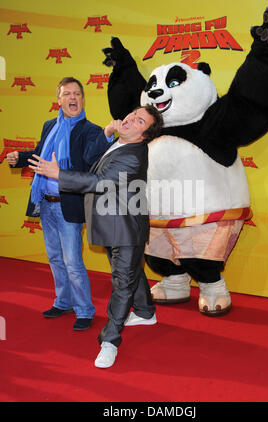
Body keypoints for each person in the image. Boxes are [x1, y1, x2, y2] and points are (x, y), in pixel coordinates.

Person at [28, 104, 164, 368]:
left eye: (139, 122)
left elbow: (99, 182)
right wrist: (108, 131)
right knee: (129, 270)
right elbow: (92, 163)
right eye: (132, 115)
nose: (130, 120)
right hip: (114, 222)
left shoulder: (134, 155)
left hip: (126, 227)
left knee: (122, 282)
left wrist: (58, 174)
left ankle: (110, 340)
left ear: (143, 136)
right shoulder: (119, 142)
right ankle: (146, 312)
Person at [7, 77, 113, 331]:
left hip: (69, 205)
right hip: (45, 202)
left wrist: (107, 135)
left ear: (83, 99)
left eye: (77, 93)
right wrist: (19, 158)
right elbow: (39, 153)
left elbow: (92, 160)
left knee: (72, 261)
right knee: (55, 258)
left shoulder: (91, 131)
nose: (73, 98)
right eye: (67, 94)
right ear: (59, 99)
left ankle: (85, 310)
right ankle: (63, 301)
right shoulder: (49, 126)